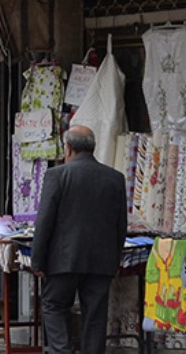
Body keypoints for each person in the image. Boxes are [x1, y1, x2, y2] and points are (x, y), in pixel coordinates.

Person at [31, 125, 128, 354]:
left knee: (54, 306)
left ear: (68, 148)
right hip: (101, 262)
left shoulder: (57, 175)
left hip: (63, 260)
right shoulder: (115, 178)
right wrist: (114, 261)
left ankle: (62, 351)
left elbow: (44, 221)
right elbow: (120, 225)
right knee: (95, 317)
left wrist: (38, 261)